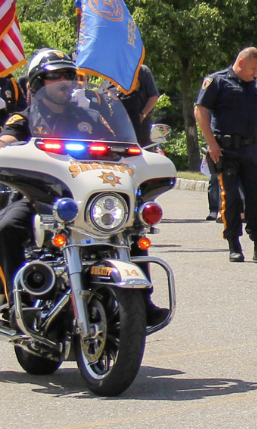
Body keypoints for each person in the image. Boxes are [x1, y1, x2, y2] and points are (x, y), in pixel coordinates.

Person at [0, 50, 167, 325]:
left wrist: (140, 155)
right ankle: (18, 304)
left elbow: (121, 145)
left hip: (89, 200)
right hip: (40, 199)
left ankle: (142, 302)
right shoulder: (25, 120)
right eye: (55, 76)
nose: (65, 81)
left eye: (68, 75)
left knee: (132, 225)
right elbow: (6, 140)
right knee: (7, 228)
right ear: (38, 84)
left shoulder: (90, 116)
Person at [195, 47, 257, 262]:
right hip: (225, 149)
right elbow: (200, 110)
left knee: (256, 197)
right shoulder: (217, 82)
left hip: (250, 150)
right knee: (230, 198)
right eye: (253, 68)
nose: (256, 72)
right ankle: (234, 245)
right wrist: (211, 143)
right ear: (240, 64)